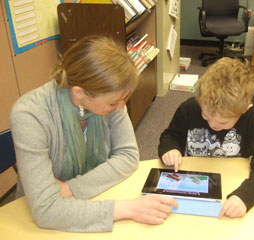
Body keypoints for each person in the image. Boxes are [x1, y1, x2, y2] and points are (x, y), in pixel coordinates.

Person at [10, 35, 177, 232]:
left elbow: (128, 156)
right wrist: (125, 208)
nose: (121, 107)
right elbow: (47, 210)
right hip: (33, 224)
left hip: (91, 199)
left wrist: (72, 188)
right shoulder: (30, 115)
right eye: (113, 103)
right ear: (80, 93)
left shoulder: (112, 95)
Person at [158, 57, 254, 219]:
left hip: (231, 186)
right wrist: (170, 148)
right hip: (191, 184)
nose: (213, 124)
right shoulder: (189, 108)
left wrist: (245, 196)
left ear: (244, 109)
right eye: (206, 116)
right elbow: (170, 135)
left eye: (222, 122)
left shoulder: (253, 118)